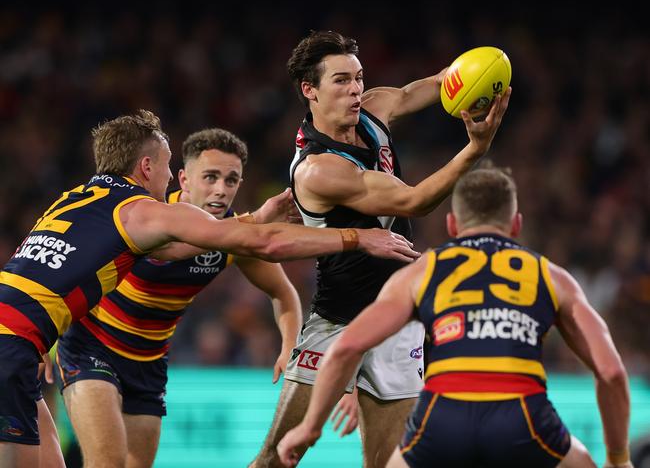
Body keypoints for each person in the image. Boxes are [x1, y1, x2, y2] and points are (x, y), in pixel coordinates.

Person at [0, 110, 418, 468]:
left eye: (231, 179)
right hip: (48, 345)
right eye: (167, 165)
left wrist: (38, 344)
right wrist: (357, 237)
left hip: (51, 345)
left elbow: (40, 270)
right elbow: (261, 243)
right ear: (149, 168)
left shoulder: (74, 197)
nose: (168, 175)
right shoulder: (148, 212)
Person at [252, 30, 511, 468]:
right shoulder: (319, 170)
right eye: (340, 80)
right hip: (339, 322)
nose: (355, 89)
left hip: (398, 320)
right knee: (278, 459)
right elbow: (415, 202)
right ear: (309, 90)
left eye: (358, 77)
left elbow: (423, 87)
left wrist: (480, 76)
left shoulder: (373, 108)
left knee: (389, 464)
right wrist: (475, 150)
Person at [277, 166, 633, 468]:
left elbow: (347, 348)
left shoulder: (423, 272)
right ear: (516, 224)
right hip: (523, 416)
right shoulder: (552, 277)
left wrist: (310, 426)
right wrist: (618, 458)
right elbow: (612, 372)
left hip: (442, 419)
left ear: (451, 224)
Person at [51, 127, 304, 468]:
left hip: (148, 363)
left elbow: (283, 293)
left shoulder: (236, 238)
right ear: (183, 179)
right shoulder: (148, 214)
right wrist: (40, 338)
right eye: (210, 177)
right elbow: (70, 268)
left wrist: (291, 345)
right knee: (106, 462)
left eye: (231, 180)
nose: (220, 189)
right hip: (92, 346)